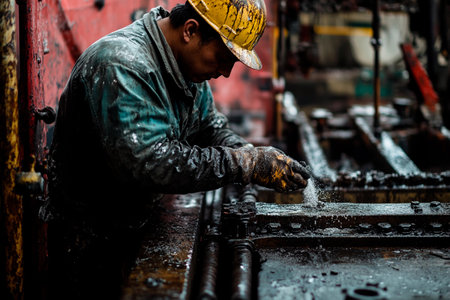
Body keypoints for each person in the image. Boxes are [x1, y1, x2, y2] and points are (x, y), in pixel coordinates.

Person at [40, 0, 310, 298]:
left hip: (133, 222)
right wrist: (244, 163)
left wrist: (249, 153)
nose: (225, 72)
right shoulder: (122, 64)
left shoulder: (182, 66)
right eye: (222, 57)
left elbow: (209, 127)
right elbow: (148, 162)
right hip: (93, 244)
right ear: (190, 31)